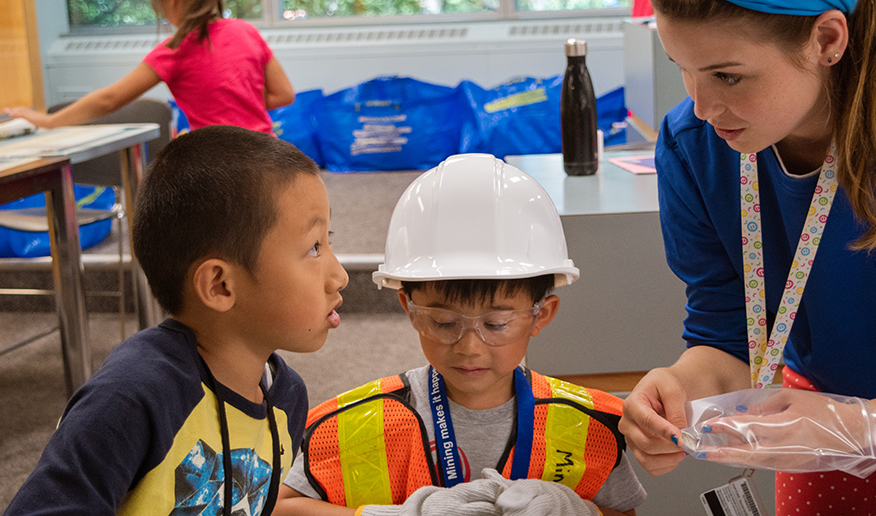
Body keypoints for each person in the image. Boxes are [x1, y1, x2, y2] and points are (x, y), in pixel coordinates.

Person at [618, 0, 876, 515]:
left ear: (826, 40)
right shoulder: (693, 147)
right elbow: (728, 336)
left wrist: (855, 423)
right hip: (820, 393)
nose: (702, 107)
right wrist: (682, 387)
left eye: (728, 77)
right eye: (681, 69)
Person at [273, 153, 647, 516]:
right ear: (409, 309)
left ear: (541, 315)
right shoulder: (355, 425)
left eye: (496, 325)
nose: (469, 348)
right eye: (443, 323)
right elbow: (279, 507)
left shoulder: (587, 428)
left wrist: (578, 509)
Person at [3, 125, 349, 515]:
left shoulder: (285, 398)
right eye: (314, 248)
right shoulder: (130, 399)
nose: (340, 276)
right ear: (219, 285)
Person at [4, 0, 294, 134]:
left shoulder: (173, 52)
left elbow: (110, 99)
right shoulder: (245, 30)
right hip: (265, 153)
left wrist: (46, 120)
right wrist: (240, 106)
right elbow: (284, 94)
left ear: (173, 3)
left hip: (217, 162)